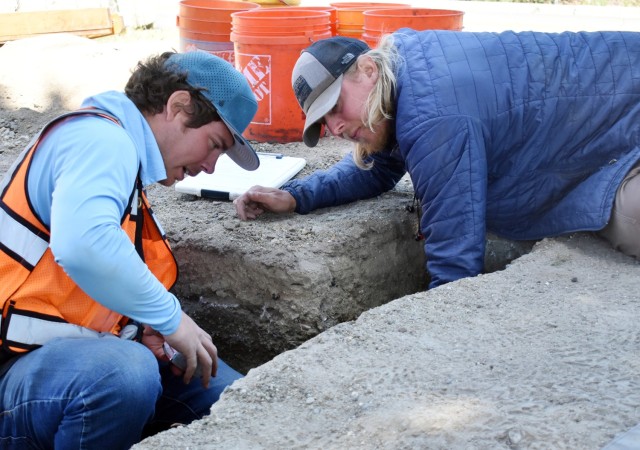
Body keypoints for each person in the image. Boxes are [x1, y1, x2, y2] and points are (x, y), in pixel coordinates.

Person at [234, 31, 640, 289]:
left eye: (335, 107)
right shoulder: (406, 71)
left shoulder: (433, 116)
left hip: (626, 115)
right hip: (604, 123)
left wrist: (438, 323)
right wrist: (295, 196)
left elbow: (455, 255)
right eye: (324, 122)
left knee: (631, 221)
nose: (335, 128)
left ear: (367, 70)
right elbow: (375, 166)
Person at [0, 50, 259, 448]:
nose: (210, 166)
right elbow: (84, 245)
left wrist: (136, 324)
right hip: (13, 369)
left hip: (71, 356)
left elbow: (74, 281)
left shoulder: (116, 153)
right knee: (124, 374)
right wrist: (171, 319)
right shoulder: (101, 139)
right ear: (178, 106)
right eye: (214, 144)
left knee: (245, 400)